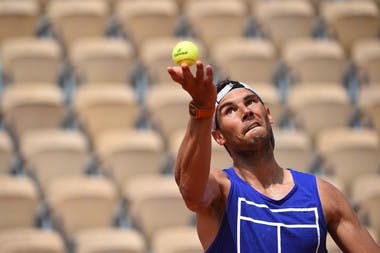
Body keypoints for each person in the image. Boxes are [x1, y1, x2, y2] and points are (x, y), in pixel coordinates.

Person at [167, 60, 380, 253]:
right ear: (219, 136)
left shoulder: (323, 195)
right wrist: (202, 110)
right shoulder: (220, 191)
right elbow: (190, 191)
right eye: (230, 110)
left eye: (250, 102)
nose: (246, 111)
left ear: (268, 115)